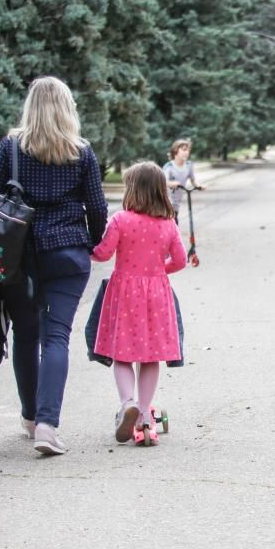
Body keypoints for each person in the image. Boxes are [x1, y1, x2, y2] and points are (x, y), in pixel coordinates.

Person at [0, 76, 108, 456]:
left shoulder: (11, 148)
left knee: (25, 334)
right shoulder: (81, 152)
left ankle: (28, 416)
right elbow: (98, 208)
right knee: (55, 337)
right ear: (67, 107)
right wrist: (91, 242)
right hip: (68, 253)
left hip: (20, 256)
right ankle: (47, 425)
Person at [91, 162, 187, 446]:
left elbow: (103, 253)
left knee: (122, 353)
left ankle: (127, 405)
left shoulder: (121, 220)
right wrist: (158, 271)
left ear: (132, 190)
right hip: (157, 292)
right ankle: (145, 414)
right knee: (150, 355)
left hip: (125, 292)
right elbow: (180, 261)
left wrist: (87, 249)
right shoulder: (168, 224)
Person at [163, 139, 204, 222]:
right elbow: (162, 181)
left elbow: (193, 180)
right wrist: (171, 183)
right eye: (184, 150)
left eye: (188, 150)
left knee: (175, 218)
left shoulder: (188, 166)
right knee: (172, 222)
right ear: (175, 151)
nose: (187, 152)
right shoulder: (169, 166)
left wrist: (198, 186)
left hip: (177, 202)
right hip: (166, 201)